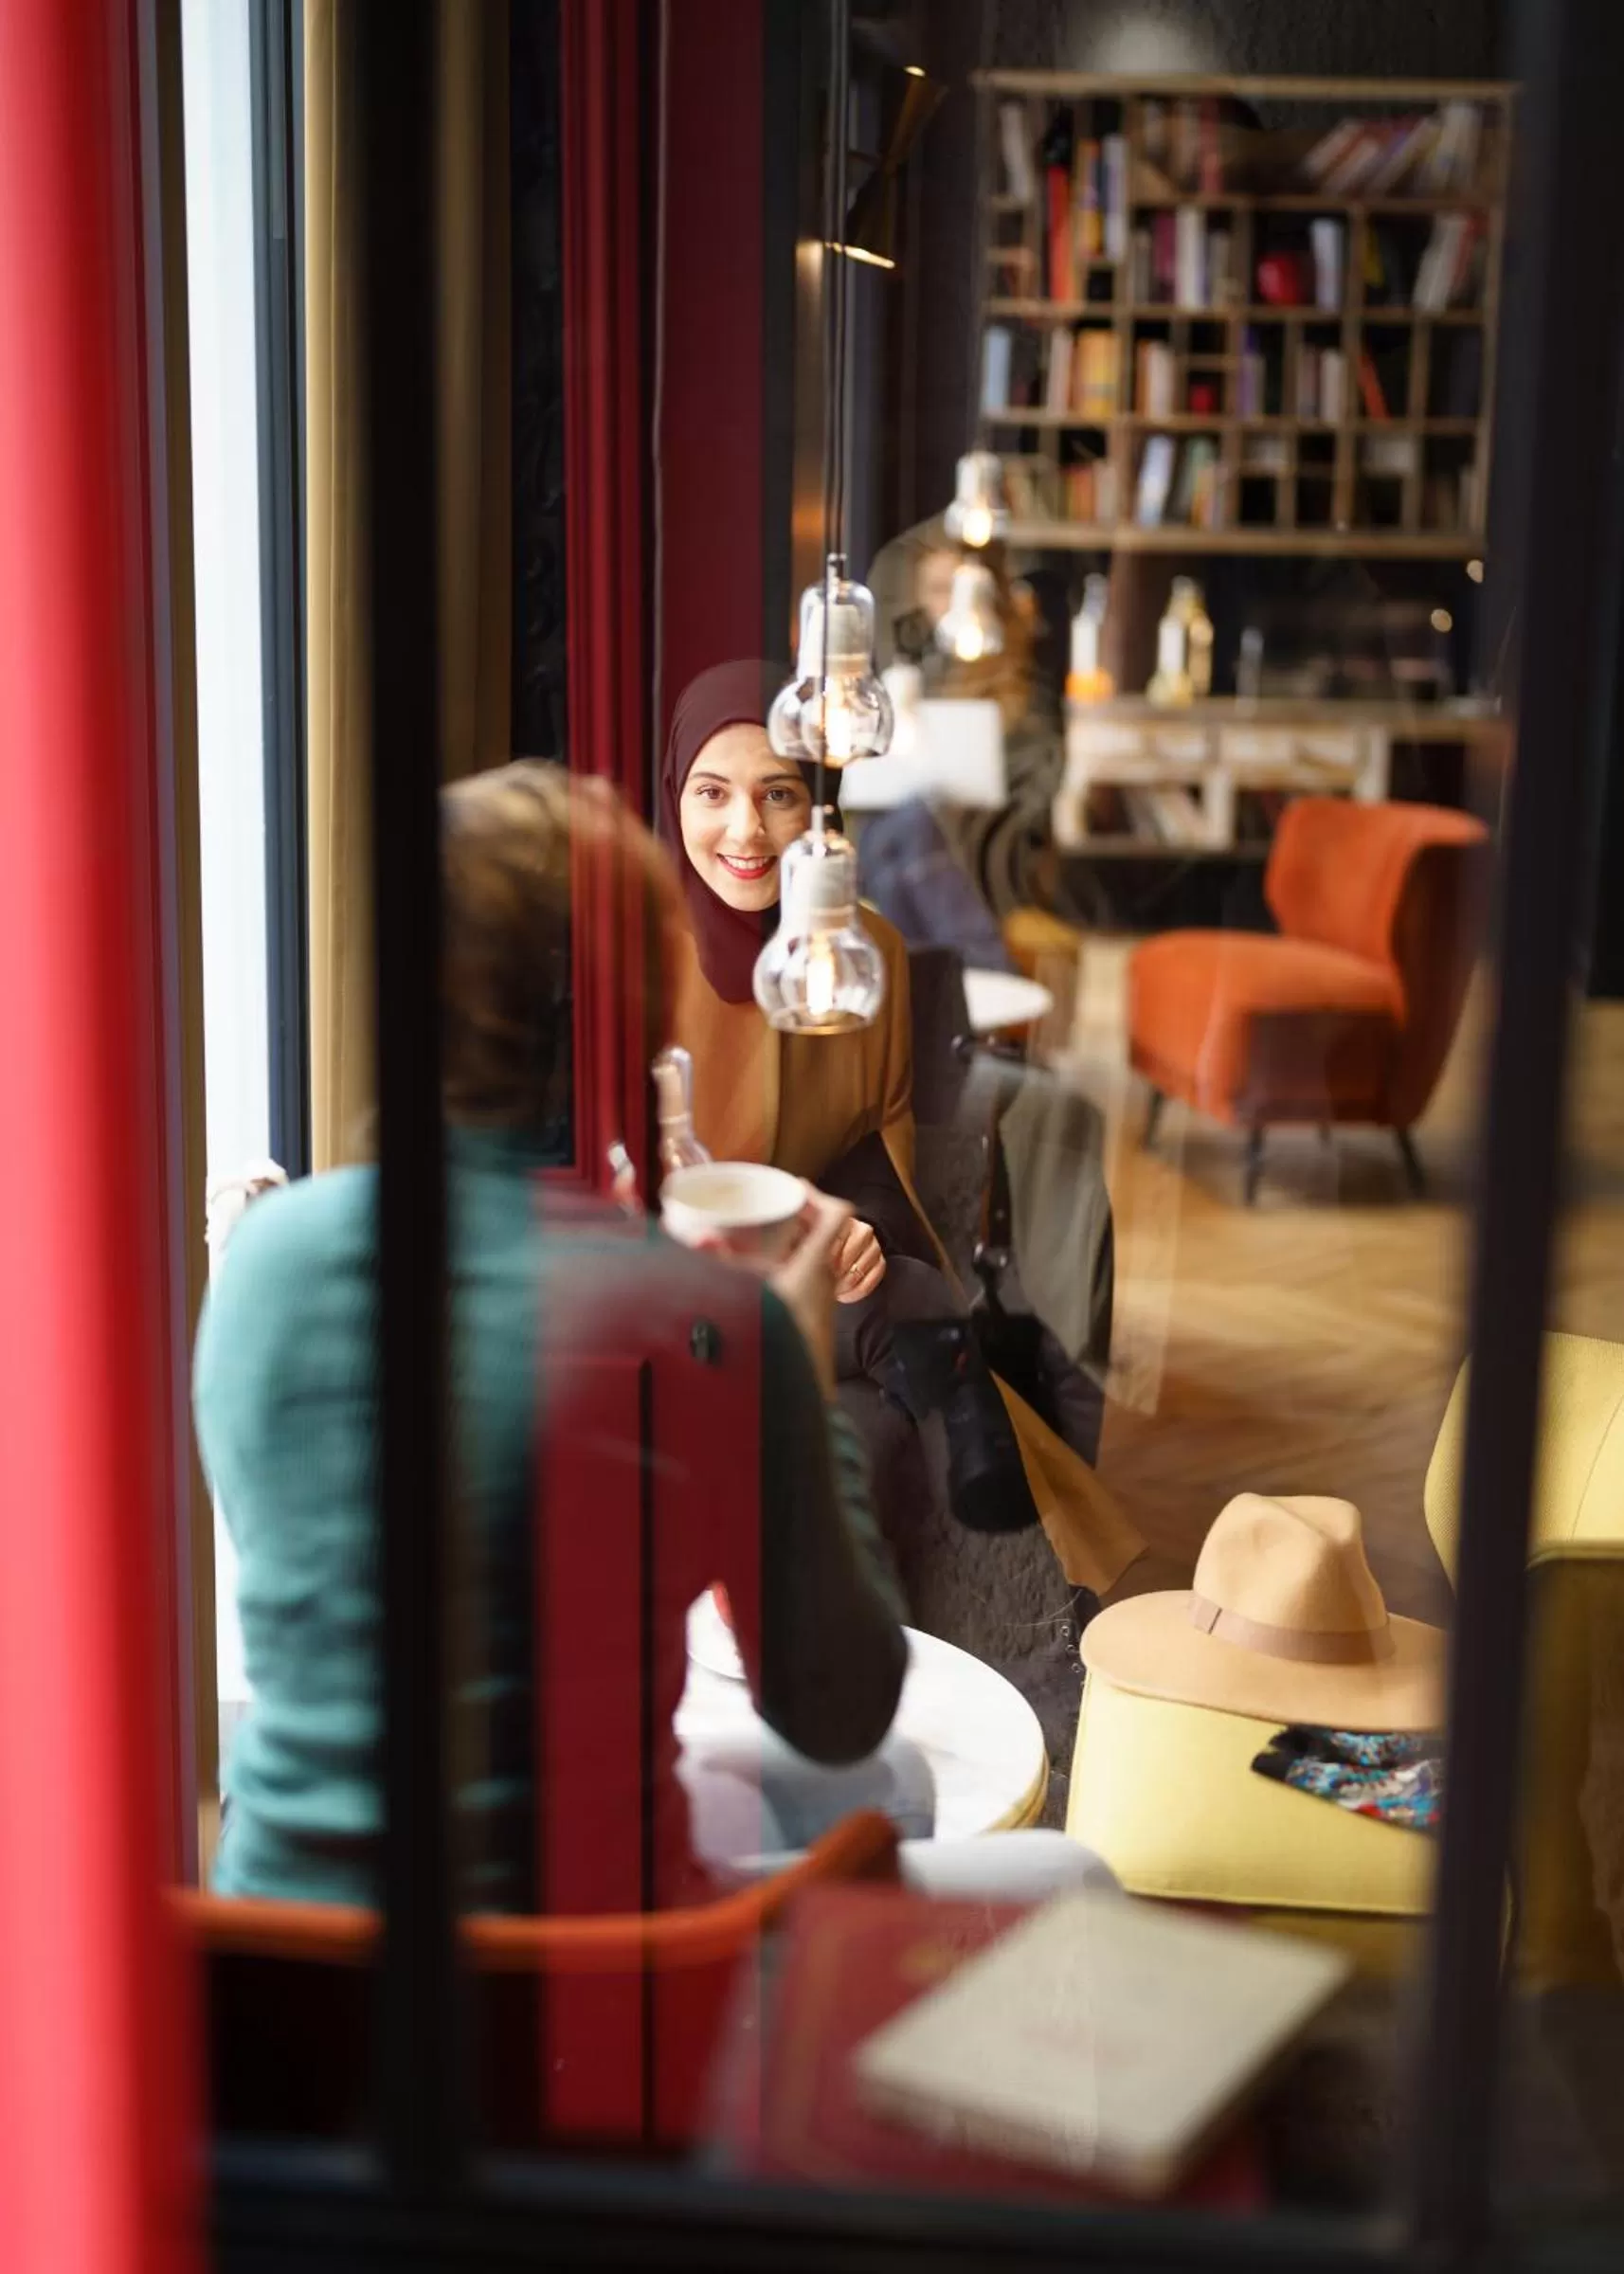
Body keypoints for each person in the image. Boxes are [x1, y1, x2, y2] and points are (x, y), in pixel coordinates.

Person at [195, 762, 1110, 1907]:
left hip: (290, 1981)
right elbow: (837, 1705)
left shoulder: (262, 1268)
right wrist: (792, 1361)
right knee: (1065, 1873)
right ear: (637, 1011)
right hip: (608, 1996)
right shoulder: (701, 1319)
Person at [659, 662, 1143, 1601]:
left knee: (899, 1286)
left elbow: (877, 1139)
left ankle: (1016, 1582)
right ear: (671, 789)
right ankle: (987, 1472)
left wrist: (856, 1234)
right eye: (710, 793)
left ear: (820, 806)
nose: (747, 831)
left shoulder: (862, 949)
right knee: (915, 1316)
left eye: (780, 794)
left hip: (820, 1287)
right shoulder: (637, 956)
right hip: (678, 1289)